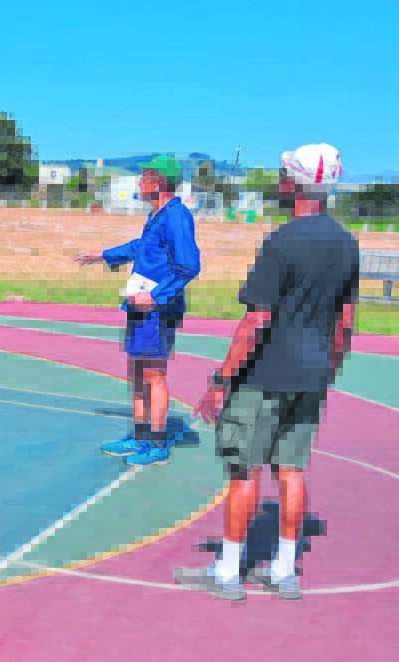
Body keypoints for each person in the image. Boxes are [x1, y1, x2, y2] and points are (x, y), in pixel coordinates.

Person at [175, 143, 357, 601]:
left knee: (244, 471)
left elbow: (256, 320)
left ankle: (228, 573)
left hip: (264, 374)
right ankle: (283, 571)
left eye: (282, 172)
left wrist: (220, 381)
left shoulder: (281, 241)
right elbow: (346, 321)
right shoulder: (346, 243)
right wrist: (329, 368)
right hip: (311, 375)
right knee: (292, 470)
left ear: (294, 184)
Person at [75, 155, 202, 466]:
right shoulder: (157, 215)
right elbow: (140, 248)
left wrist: (156, 297)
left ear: (157, 181)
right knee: (137, 374)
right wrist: (103, 256)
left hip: (157, 310)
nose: (138, 183)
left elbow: (189, 266)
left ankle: (156, 445)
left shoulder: (177, 216)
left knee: (154, 375)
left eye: (143, 177)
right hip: (139, 306)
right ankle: (140, 436)